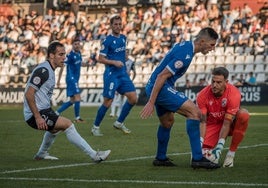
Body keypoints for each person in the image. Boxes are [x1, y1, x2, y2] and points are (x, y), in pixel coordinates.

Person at [140, 27, 220, 169]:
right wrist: (151, 102)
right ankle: (197, 158)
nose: (212, 49)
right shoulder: (186, 54)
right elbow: (162, 76)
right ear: (202, 41)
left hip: (160, 86)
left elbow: (166, 74)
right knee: (195, 113)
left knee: (167, 122)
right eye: (212, 45)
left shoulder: (185, 46)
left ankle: (160, 158)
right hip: (160, 87)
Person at [23, 41, 111, 161]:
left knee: (55, 129)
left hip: (43, 110)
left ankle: (41, 154)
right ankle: (94, 155)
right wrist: (38, 117)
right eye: (60, 54)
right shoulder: (43, 70)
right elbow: (29, 94)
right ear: (51, 55)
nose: (64, 57)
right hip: (35, 114)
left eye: (64, 54)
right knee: (68, 125)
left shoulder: (50, 69)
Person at [91, 15, 137, 136]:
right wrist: (114, 62)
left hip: (123, 74)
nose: (118, 26)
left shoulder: (123, 38)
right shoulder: (107, 40)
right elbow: (100, 58)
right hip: (111, 75)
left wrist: (127, 64)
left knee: (133, 98)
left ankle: (119, 122)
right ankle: (95, 127)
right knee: (108, 102)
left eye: (119, 24)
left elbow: (121, 54)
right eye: (115, 24)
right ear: (111, 26)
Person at [197, 67, 250, 167]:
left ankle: (230, 155)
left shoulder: (234, 93)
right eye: (213, 81)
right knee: (203, 155)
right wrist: (199, 143)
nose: (214, 85)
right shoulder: (202, 95)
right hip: (213, 124)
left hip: (229, 124)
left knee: (243, 115)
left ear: (226, 82)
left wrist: (219, 147)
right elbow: (203, 122)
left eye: (218, 82)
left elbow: (227, 123)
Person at [55, 37, 85, 123]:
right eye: (75, 44)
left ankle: (56, 113)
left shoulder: (79, 53)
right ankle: (77, 118)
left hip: (75, 79)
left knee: (72, 100)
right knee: (77, 97)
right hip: (71, 79)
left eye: (78, 44)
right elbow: (62, 67)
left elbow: (79, 63)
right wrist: (58, 80)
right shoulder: (70, 55)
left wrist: (84, 64)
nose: (77, 45)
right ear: (72, 45)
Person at [110, 49, 136, 118]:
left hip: (125, 82)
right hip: (118, 81)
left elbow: (134, 72)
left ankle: (118, 113)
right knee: (114, 96)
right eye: (125, 53)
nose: (126, 54)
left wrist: (131, 80)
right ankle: (112, 112)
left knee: (122, 98)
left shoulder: (131, 62)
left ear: (128, 54)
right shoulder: (119, 61)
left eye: (127, 53)